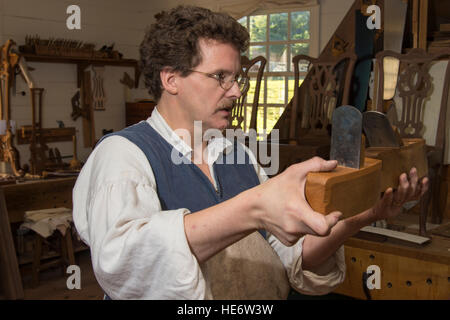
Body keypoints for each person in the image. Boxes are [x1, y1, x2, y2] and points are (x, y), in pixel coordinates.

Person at [72, 5, 428, 300]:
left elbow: (294, 258)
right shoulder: (123, 155)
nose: (236, 91)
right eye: (219, 77)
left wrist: (366, 214)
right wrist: (252, 207)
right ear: (171, 79)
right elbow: (122, 263)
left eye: (236, 77)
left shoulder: (237, 155)